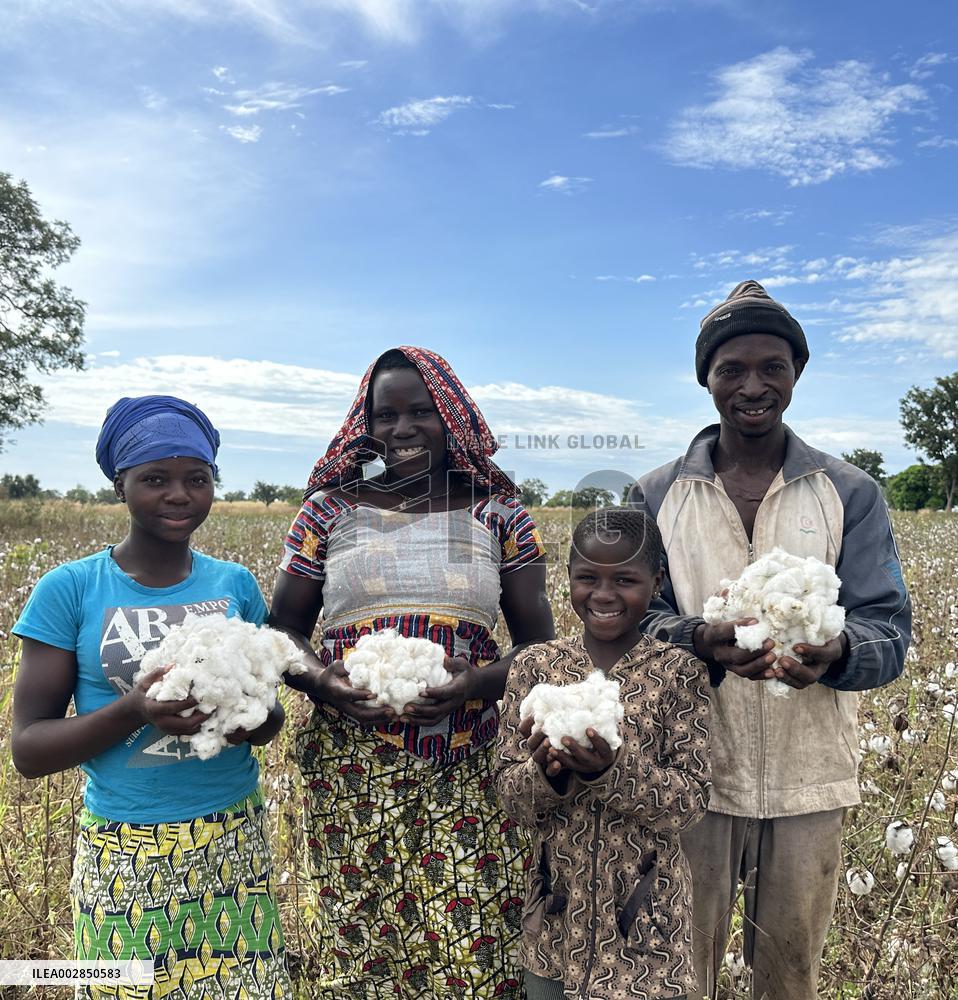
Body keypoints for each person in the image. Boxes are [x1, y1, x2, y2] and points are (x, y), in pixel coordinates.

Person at [627, 280, 912, 1000]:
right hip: (688, 779)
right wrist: (700, 640)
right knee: (677, 974)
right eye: (732, 370)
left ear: (796, 374)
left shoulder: (850, 493)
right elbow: (633, 623)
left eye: (772, 367)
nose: (753, 386)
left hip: (808, 780)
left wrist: (837, 653)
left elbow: (888, 629)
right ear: (707, 380)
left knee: (788, 979)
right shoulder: (657, 496)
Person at [270, 346, 555, 999]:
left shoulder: (499, 514)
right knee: (363, 943)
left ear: (451, 418)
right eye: (386, 414)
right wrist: (326, 683)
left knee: (475, 944)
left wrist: (476, 684)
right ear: (364, 425)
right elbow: (282, 630)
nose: (402, 428)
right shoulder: (326, 512)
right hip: (351, 766)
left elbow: (540, 647)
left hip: (473, 760)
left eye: (421, 412)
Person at [11, 395, 292, 999]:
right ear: (120, 485)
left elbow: (272, 717)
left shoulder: (234, 585)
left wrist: (250, 720)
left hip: (232, 837)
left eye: (197, 478)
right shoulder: (70, 589)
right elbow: (29, 751)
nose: (179, 494)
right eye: (154, 479)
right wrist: (134, 709)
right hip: (126, 845)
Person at [494, 507, 710, 1000]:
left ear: (656, 582)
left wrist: (613, 771)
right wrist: (548, 775)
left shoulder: (678, 673)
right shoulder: (536, 667)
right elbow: (509, 794)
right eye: (587, 577)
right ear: (566, 579)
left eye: (625, 580)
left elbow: (691, 800)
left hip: (647, 935)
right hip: (553, 930)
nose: (604, 594)